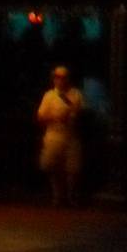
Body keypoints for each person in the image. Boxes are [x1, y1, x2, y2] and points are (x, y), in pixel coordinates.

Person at [35, 66, 85, 206]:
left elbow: (83, 113)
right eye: (57, 77)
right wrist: (56, 117)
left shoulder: (76, 94)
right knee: (52, 166)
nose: (60, 80)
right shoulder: (49, 95)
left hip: (72, 136)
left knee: (73, 169)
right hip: (54, 135)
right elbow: (40, 116)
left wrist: (76, 117)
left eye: (63, 77)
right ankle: (57, 197)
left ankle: (71, 197)